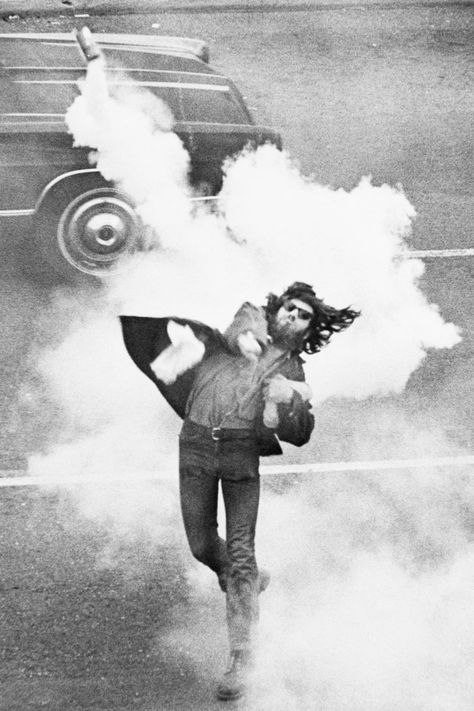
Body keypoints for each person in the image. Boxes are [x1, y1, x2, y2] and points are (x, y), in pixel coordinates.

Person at [120, 281, 359, 701]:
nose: (294, 318)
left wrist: (288, 401)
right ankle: (241, 577)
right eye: (291, 309)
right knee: (199, 545)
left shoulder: (294, 370)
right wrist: (247, 339)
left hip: (238, 454)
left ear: (308, 330)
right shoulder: (252, 320)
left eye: (304, 317)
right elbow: (239, 328)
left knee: (242, 550)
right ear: (278, 308)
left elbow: (300, 433)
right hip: (194, 443)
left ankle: (242, 655)